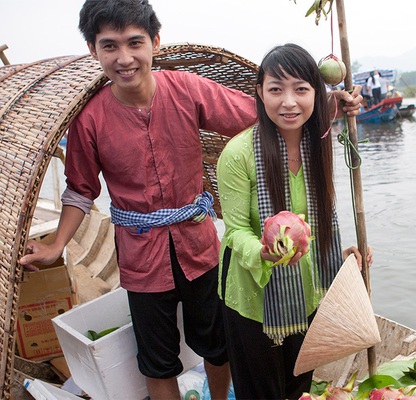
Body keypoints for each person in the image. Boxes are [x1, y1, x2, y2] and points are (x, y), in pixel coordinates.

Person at [19, 0, 259, 398]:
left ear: (155, 43)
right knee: (157, 360)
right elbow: (81, 189)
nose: (124, 58)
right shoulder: (90, 119)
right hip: (140, 260)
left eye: (135, 43)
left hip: (200, 248)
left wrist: (325, 105)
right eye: (109, 46)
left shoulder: (186, 89)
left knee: (218, 346)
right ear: (93, 51)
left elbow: (253, 114)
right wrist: (55, 245)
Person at [216, 43, 372, 400]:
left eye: (301, 89)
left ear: (316, 93)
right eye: (276, 89)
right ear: (260, 93)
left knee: (298, 390)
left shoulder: (318, 144)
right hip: (253, 300)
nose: (289, 102)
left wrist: (341, 253)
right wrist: (265, 252)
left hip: (306, 292)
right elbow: (236, 231)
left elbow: (316, 222)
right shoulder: (238, 154)